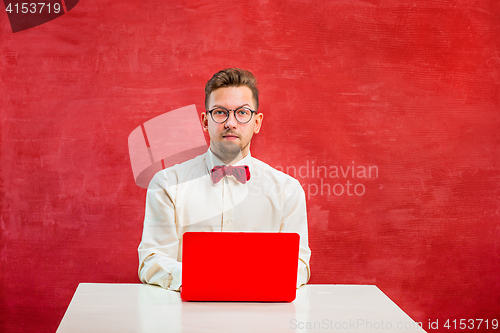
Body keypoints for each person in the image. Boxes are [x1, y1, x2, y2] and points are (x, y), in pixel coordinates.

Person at [137, 68, 311, 291]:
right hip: (186, 319)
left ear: (257, 123)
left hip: (262, 319)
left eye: (242, 113)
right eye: (220, 112)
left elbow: (299, 265)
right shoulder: (167, 184)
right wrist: (210, 279)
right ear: (205, 121)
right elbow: (152, 260)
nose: (231, 123)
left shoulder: (287, 190)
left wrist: (244, 282)